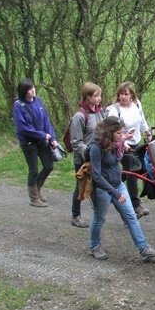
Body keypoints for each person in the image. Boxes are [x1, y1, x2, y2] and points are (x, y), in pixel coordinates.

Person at [87, 117, 155, 261]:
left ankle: (144, 249)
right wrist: (114, 193)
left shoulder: (117, 144)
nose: (122, 136)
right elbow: (97, 176)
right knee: (99, 219)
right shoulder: (96, 148)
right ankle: (94, 246)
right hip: (103, 189)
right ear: (109, 133)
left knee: (131, 217)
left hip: (118, 185)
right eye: (119, 133)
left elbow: (120, 159)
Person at [105, 81, 153, 218]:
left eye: (126, 94)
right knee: (133, 171)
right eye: (121, 94)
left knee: (132, 170)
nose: (123, 97)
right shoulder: (115, 110)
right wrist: (123, 140)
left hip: (135, 143)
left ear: (132, 94)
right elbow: (109, 130)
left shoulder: (137, 105)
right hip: (121, 144)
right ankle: (135, 204)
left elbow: (142, 120)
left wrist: (148, 134)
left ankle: (109, 188)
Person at [12, 79, 58, 208]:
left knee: (49, 165)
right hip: (28, 141)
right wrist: (42, 134)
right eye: (29, 89)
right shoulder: (18, 106)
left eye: (33, 87)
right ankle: (34, 197)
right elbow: (22, 127)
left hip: (42, 139)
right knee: (33, 169)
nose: (33, 90)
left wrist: (52, 138)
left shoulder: (38, 101)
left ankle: (38, 188)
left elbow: (46, 120)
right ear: (23, 91)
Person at [69, 82, 105, 228]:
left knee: (98, 184)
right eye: (96, 96)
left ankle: (99, 214)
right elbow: (76, 142)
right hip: (83, 159)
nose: (99, 99)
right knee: (81, 186)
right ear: (88, 97)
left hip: (98, 156)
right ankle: (75, 215)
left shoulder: (99, 112)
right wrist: (89, 152)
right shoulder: (79, 117)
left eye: (100, 95)